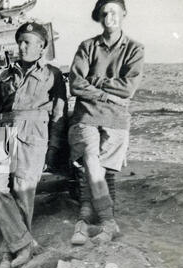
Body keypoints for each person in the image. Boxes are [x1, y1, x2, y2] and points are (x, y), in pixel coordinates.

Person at [0, 22, 67, 268]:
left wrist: (52, 147)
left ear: (42, 46)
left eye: (27, 42)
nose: (22, 46)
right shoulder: (6, 75)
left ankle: (11, 250)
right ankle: (25, 244)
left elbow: (59, 115)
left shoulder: (53, 74)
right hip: (5, 132)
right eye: (20, 41)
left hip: (35, 133)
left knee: (23, 190)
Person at [68, 0, 145, 245]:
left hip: (116, 119)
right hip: (87, 115)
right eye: (104, 13)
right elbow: (75, 84)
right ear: (98, 18)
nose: (108, 16)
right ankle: (108, 220)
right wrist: (106, 93)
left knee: (105, 171)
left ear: (124, 13)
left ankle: (85, 217)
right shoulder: (87, 46)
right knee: (89, 160)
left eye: (113, 11)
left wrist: (95, 81)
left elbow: (128, 88)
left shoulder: (135, 48)